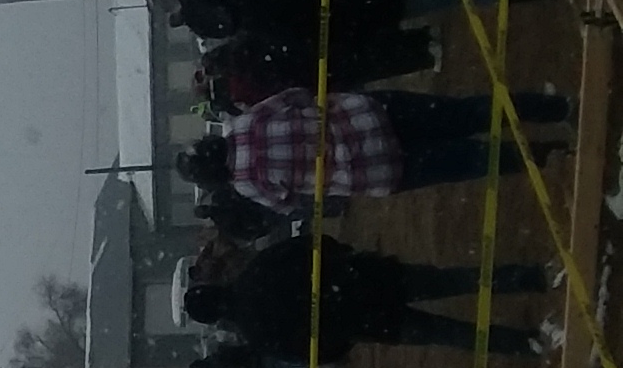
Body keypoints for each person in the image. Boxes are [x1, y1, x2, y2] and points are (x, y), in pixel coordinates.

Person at [175, 86, 572, 215]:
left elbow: (293, 203)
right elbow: (296, 95)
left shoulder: (248, 185)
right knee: (464, 113)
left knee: (469, 160)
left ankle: (549, 154)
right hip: (367, 117)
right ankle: (554, 108)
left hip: (375, 168)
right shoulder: (245, 124)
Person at [179, 234, 557, 359]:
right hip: (369, 279)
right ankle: (530, 277)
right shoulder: (257, 270)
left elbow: (314, 354)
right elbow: (312, 245)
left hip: (368, 323)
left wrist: (344, 337)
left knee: (450, 334)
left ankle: (524, 343)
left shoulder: (257, 335)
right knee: (456, 280)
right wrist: (344, 257)